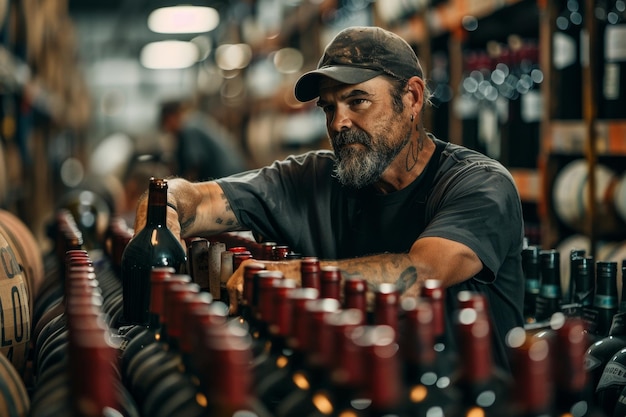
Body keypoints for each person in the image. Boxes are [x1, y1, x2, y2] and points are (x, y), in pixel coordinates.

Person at [134, 26, 525, 371]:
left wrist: (294, 278)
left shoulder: (479, 184)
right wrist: (162, 204)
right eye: (329, 107)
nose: (339, 122)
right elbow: (198, 201)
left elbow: (425, 272)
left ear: (412, 98)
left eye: (358, 102)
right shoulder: (312, 179)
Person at [159, 99, 248, 181]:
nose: (168, 129)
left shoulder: (190, 129)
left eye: (167, 123)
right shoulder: (196, 119)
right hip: (235, 173)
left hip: (228, 175)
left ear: (171, 117)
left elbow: (194, 165)